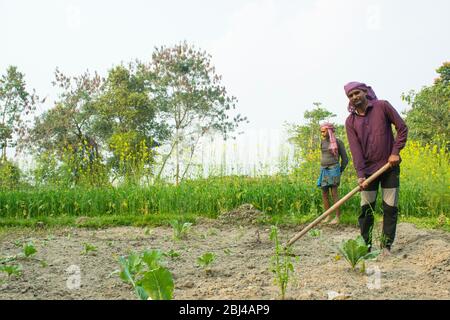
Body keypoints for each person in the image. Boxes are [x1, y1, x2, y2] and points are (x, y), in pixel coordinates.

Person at [344, 82, 408, 254]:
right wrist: (360, 175)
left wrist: (395, 152)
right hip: (368, 173)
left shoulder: (382, 106)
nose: (354, 97)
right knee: (366, 210)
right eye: (350, 96)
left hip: (389, 168)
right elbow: (355, 150)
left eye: (357, 93)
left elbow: (402, 128)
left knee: (390, 207)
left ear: (365, 92)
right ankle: (366, 247)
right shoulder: (350, 122)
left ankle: (386, 246)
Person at [317, 122, 348, 225]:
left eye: (324, 130)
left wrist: (340, 170)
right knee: (324, 193)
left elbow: (345, 159)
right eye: (321, 130)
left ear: (329, 130)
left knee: (334, 193)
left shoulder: (338, 142)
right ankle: (328, 216)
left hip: (334, 169)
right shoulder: (322, 142)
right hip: (324, 169)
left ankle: (337, 217)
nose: (322, 132)